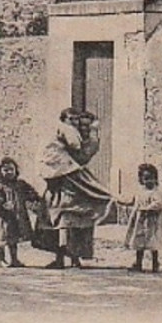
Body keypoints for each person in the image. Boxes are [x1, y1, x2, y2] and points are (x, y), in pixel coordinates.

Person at [40, 108, 113, 269]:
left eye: (77, 121)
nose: (75, 123)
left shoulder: (78, 142)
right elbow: (76, 148)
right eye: (71, 119)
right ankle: (62, 258)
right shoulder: (65, 134)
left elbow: (83, 154)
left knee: (70, 222)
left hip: (69, 186)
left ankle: (72, 258)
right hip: (62, 183)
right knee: (60, 221)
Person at [0, 157, 39, 268]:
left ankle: (14, 259)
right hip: (2, 217)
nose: (9, 172)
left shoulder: (20, 184)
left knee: (13, 238)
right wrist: (2, 204)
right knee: (1, 238)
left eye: (11, 169)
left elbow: (31, 193)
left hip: (16, 216)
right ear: (0, 171)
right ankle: (1, 259)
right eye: (6, 170)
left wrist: (34, 198)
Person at [121, 163, 162, 273]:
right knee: (139, 242)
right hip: (140, 222)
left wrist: (148, 208)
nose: (148, 181)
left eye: (151, 178)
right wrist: (124, 202)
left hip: (152, 222)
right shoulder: (140, 192)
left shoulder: (156, 192)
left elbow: (159, 204)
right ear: (141, 179)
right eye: (146, 179)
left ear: (155, 179)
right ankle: (138, 263)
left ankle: (155, 263)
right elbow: (133, 201)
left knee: (153, 243)